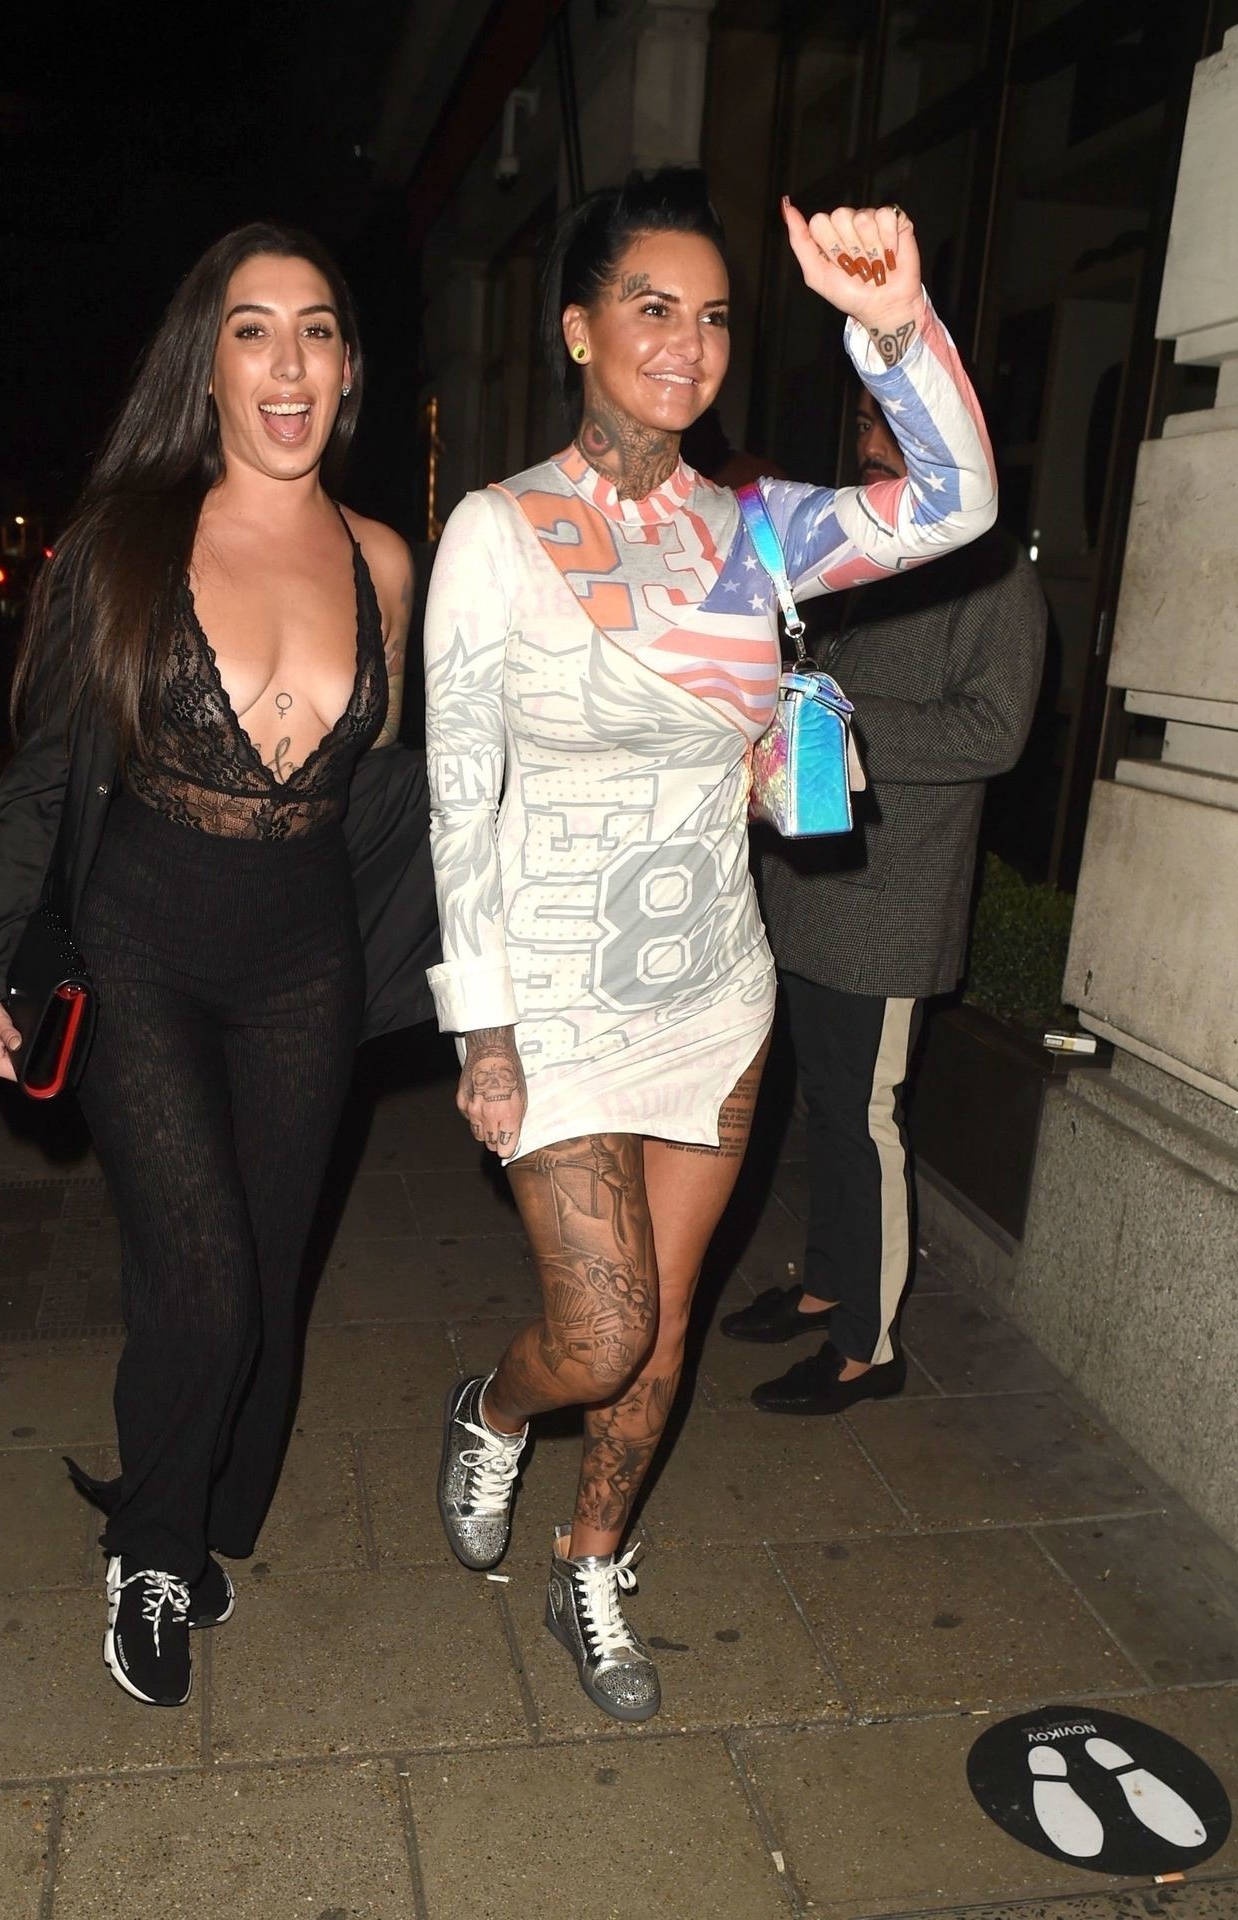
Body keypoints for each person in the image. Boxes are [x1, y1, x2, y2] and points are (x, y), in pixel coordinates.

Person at [422, 170, 998, 1723]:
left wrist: (896, 330)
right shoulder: (497, 534)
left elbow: (956, 504)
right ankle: (492, 1412)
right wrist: (480, 1027)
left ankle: (591, 1561)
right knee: (598, 1330)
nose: (687, 342)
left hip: (713, 995)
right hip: (551, 1002)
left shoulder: (753, 531)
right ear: (579, 328)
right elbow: (457, 796)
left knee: (665, 1327)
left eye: (717, 316)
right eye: (652, 306)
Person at [0, 223, 416, 1708]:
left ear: (347, 368)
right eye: (252, 329)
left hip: (304, 971)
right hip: (140, 945)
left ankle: (201, 1507)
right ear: (205, 365)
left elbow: (396, 796)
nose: (289, 363)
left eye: (317, 330)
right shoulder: (127, 543)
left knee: (259, 1284)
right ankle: (148, 1552)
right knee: (204, 1274)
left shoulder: (387, 564)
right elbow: (47, 766)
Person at [723, 385, 1046, 1410]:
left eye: (890, 425)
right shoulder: (868, 557)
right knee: (824, 1104)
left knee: (865, 1117)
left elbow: (995, 731)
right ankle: (826, 1286)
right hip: (817, 886)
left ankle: (868, 1347)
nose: (868, 442)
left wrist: (842, 715)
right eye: (861, 422)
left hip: (891, 903)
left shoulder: (994, 576)